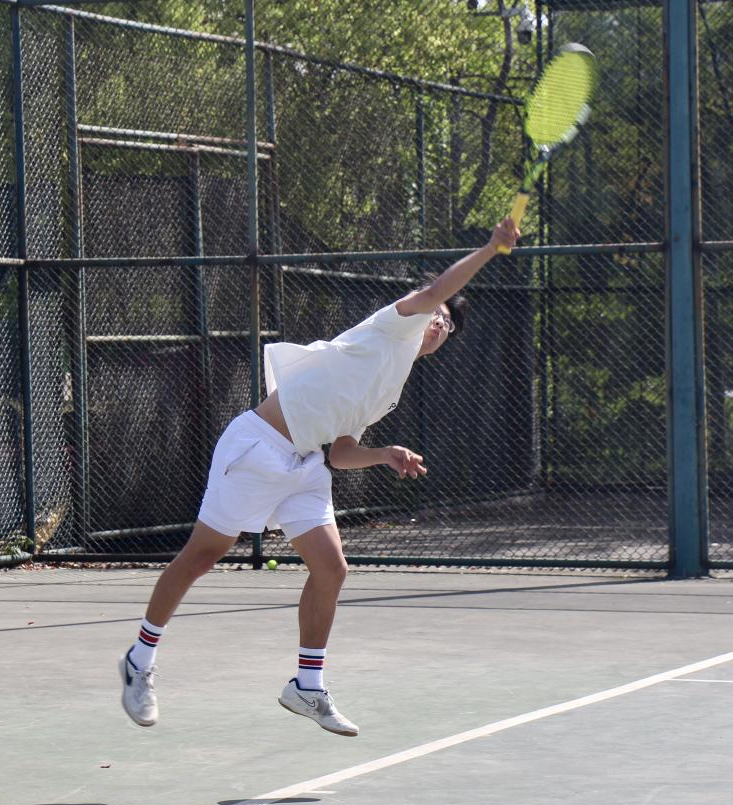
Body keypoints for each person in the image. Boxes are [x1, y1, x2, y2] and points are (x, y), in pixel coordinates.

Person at [119, 218, 521, 736]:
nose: (441, 323)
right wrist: (490, 248)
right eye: (439, 315)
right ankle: (139, 659)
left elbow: (342, 453)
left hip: (305, 464)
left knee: (332, 569)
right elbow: (435, 291)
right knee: (202, 556)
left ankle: (307, 686)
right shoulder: (392, 325)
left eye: (449, 326)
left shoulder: (390, 388)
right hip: (258, 447)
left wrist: (384, 454)